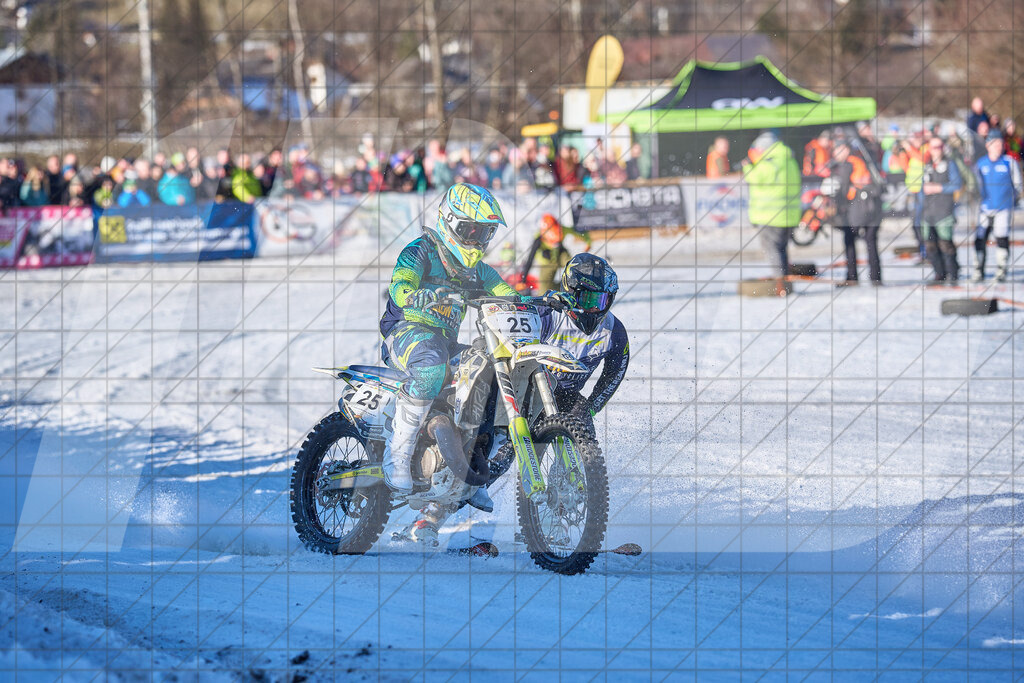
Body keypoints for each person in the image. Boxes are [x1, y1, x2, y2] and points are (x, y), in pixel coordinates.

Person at [400, 253, 628, 543]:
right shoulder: (548, 314)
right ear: (571, 291)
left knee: (572, 459)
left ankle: (552, 524)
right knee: (496, 459)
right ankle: (431, 516)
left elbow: (616, 371)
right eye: (589, 301)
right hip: (530, 392)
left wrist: (592, 408)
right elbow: (505, 337)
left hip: (568, 398)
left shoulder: (614, 331)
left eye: (604, 301)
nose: (596, 310)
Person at [378, 183, 520, 494]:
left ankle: (469, 465)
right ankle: (397, 456)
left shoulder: (477, 272)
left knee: (488, 371)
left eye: (484, 233)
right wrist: (414, 294)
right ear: (450, 222)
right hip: (406, 331)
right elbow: (400, 284)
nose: (477, 240)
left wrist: (535, 304)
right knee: (431, 366)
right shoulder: (421, 251)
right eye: (471, 231)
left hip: (444, 342)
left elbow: (509, 296)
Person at [743, 132, 802, 286]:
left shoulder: (769, 163)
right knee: (782, 248)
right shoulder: (789, 159)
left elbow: (754, 178)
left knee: (772, 249)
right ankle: (785, 277)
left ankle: (781, 284)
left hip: (770, 216)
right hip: (789, 215)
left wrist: (748, 165)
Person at [830, 142, 883, 285]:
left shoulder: (849, 164)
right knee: (871, 242)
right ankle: (876, 277)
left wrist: (839, 204)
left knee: (849, 240)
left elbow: (844, 188)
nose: (836, 155)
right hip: (873, 206)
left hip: (857, 208)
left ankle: (852, 277)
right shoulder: (864, 159)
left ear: (846, 149)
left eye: (838, 150)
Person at [972, 130, 1022, 282]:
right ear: (988, 145)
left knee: (1001, 239)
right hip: (984, 209)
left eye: (1000, 144)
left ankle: (1001, 271)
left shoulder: (1009, 162)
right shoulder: (981, 164)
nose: (998, 147)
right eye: (995, 144)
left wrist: (1010, 200)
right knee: (980, 239)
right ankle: (978, 270)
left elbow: (1018, 185)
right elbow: (974, 185)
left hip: (1003, 209)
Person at [920, 137, 963, 282]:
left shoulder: (950, 164)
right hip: (928, 212)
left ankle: (953, 273)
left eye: (939, 147)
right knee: (930, 246)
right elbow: (921, 188)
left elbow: (957, 184)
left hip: (944, 211)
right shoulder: (926, 165)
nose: (936, 150)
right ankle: (939, 273)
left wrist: (939, 188)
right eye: (933, 147)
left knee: (946, 244)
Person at [518, 213, 592, 294]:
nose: (555, 243)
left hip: (560, 255)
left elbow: (580, 233)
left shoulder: (563, 229)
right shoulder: (538, 238)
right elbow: (530, 258)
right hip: (546, 264)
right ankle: (564, 287)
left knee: (574, 265)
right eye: (553, 241)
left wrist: (588, 242)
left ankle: (582, 282)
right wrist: (523, 280)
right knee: (543, 292)